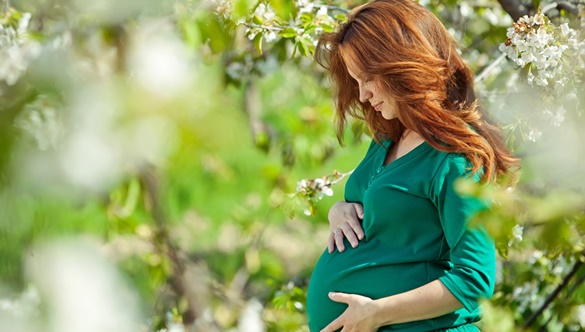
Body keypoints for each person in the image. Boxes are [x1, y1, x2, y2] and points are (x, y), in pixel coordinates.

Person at [305, 0, 520, 331]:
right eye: (355, 81)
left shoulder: (455, 157)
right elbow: (389, 219)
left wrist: (377, 312)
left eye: (368, 78)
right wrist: (341, 210)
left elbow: (475, 278)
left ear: (401, 65)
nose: (362, 95)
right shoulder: (389, 138)